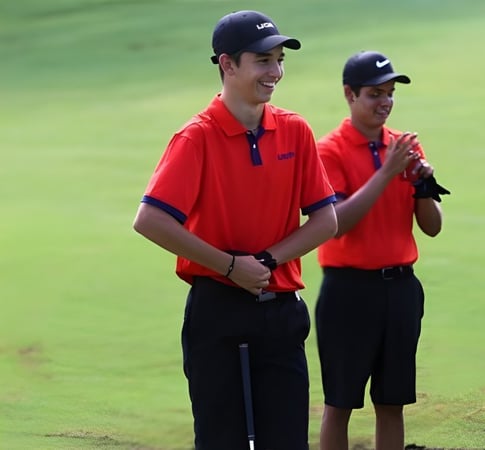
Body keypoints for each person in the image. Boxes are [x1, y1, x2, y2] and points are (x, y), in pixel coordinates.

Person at [132, 10, 337, 450]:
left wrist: (264, 262)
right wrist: (229, 267)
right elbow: (150, 219)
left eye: (280, 60)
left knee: (286, 441)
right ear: (228, 64)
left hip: (280, 308)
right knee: (221, 439)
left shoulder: (295, 130)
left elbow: (326, 219)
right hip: (217, 309)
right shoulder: (196, 137)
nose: (276, 72)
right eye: (264, 60)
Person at [314, 50, 450, 450]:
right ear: (349, 95)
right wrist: (387, 172)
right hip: (348, 290)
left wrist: (424, 185)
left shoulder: (405, 145)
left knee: (392, 402)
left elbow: (433, 227)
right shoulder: (330, 150)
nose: (385, 102)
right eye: (375, 94)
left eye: (390, 93)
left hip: (401, 290)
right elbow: (338, 222)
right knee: (339, 403)